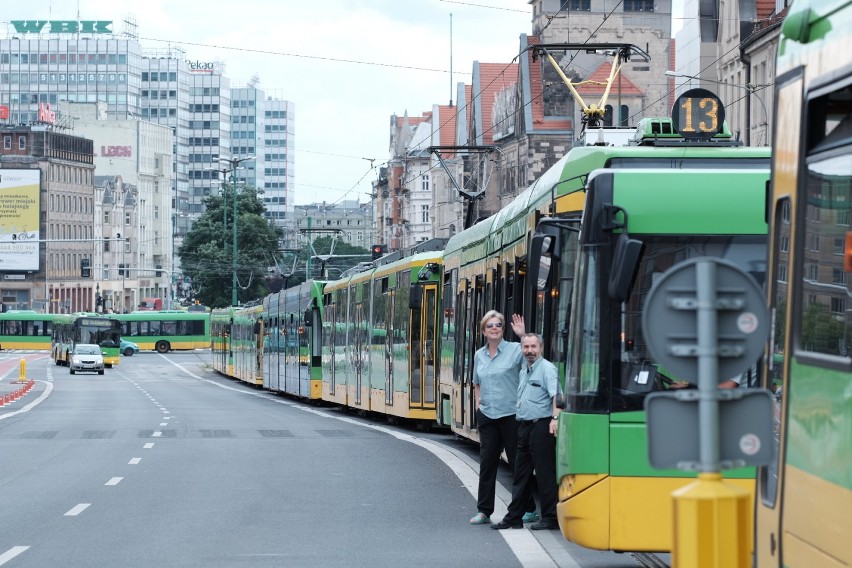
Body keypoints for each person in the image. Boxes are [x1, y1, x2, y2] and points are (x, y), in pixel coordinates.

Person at [469, 311, 538, 526]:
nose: (494, 328)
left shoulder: (515, 350)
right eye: (490, 325)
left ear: (502, 329)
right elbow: (477, 383)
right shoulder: (479, 355)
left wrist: (523, 335)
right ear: (484, 331)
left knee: (518, 464)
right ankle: (483, 511)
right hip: (488, 415)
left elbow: (533, 361)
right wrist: (478, 408)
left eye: (498, 324)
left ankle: (528, 508)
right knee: (487, 464)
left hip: (511, 415)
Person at [492, 333, 560, 531]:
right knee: (520, 474)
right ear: (522, 349)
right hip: (524, 426)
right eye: (526, 347)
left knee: (545, 475)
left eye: (533, 347)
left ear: (541, 348)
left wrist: (555, 420)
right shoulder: (524, 370)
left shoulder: (547, 369)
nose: (530, 351)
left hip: (542, 426)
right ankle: (514, 517)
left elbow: (557, 396)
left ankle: (550, 518)